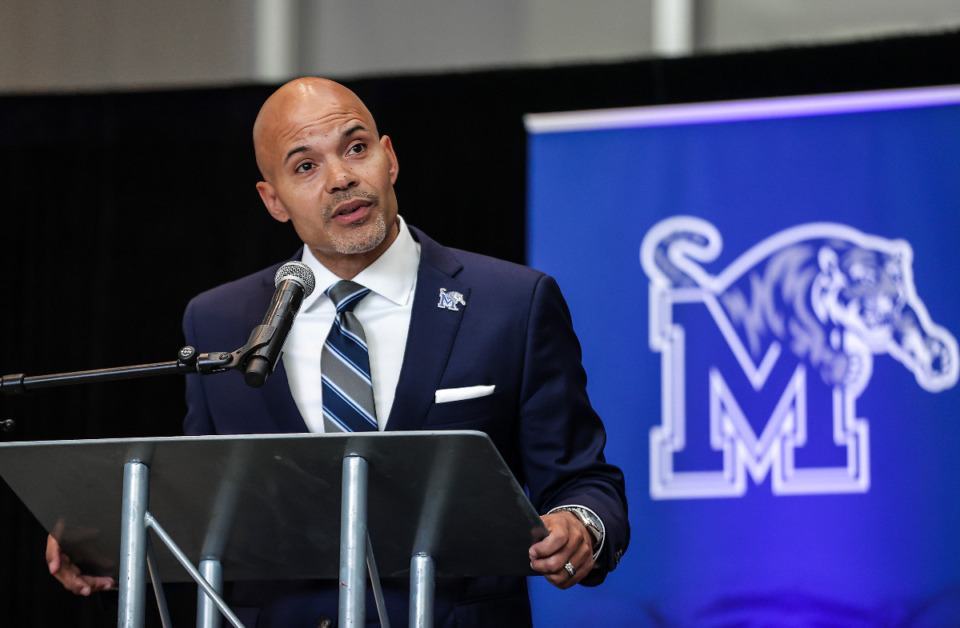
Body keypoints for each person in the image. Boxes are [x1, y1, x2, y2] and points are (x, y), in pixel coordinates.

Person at [48, 77, 628, 627]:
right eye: (306, 166)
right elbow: (213, 518)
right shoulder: (221, 320)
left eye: (355, 149)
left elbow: (584, 480)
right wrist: (116, 547)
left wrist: (580, 525)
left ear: (390, 157)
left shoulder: (511, 303)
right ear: (273, 199)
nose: (340, 178)